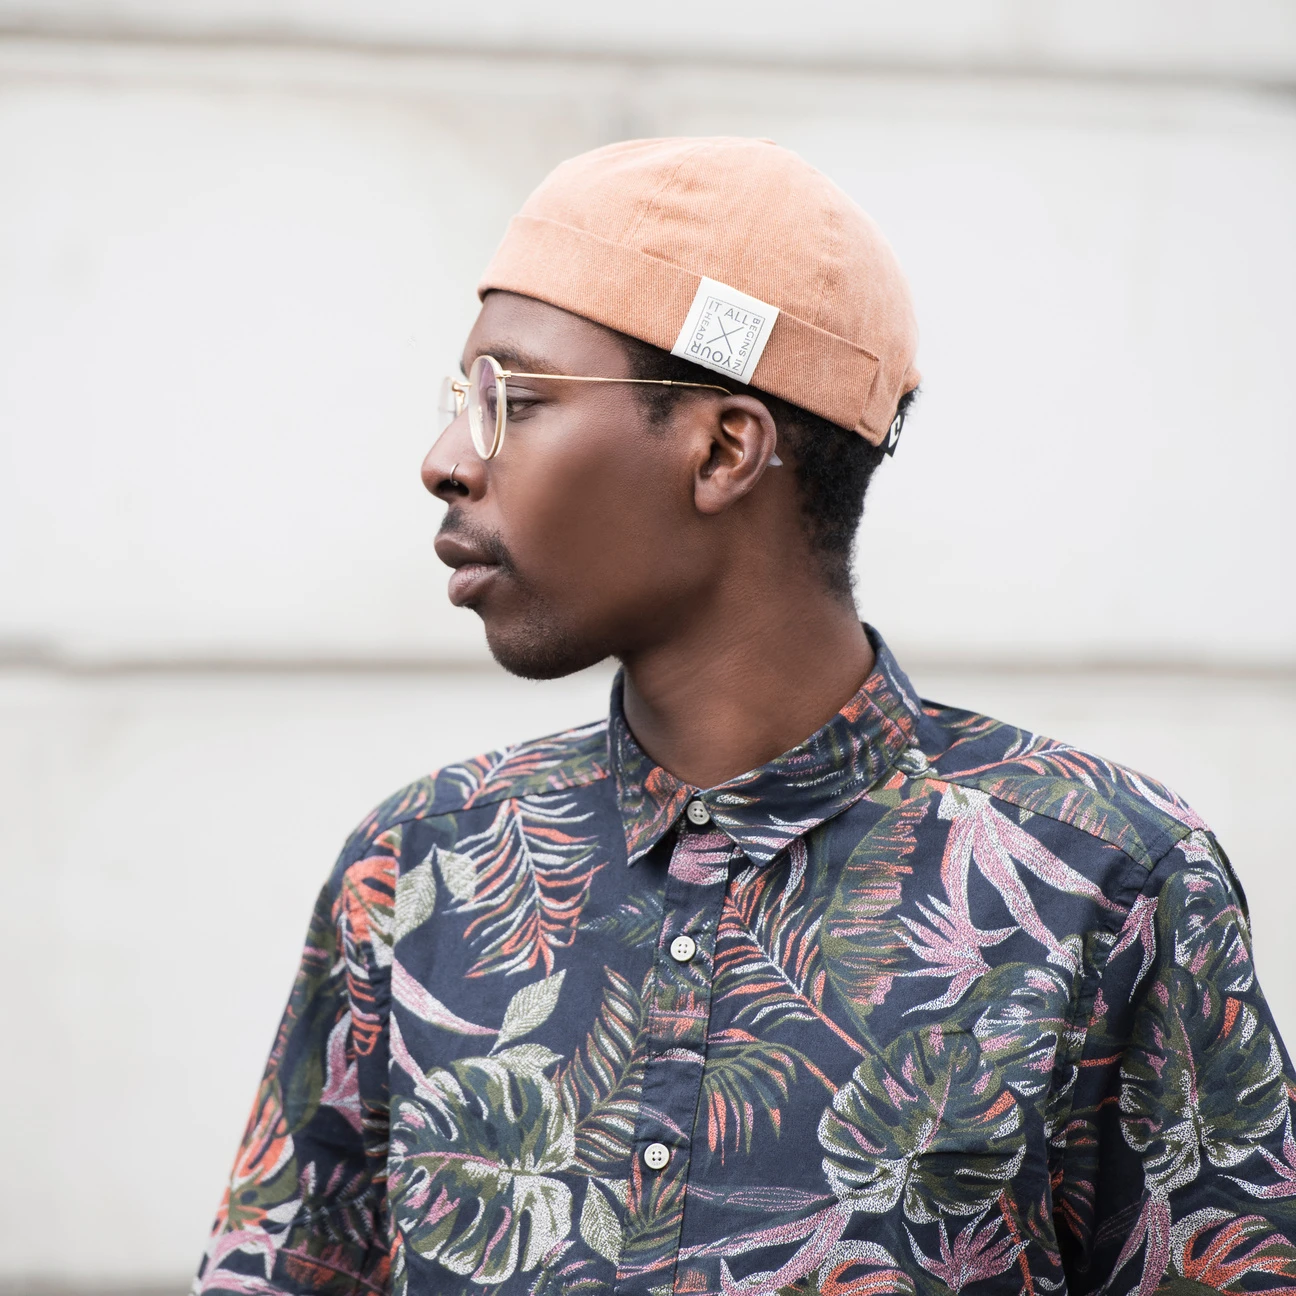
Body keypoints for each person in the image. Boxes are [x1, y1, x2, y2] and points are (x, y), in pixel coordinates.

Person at [194, 138, 1296, 1296]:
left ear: (723, 450)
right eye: (458, 402)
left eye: (510, 399)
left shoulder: (1100, 883)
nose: (445, 461)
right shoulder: (420, 868)